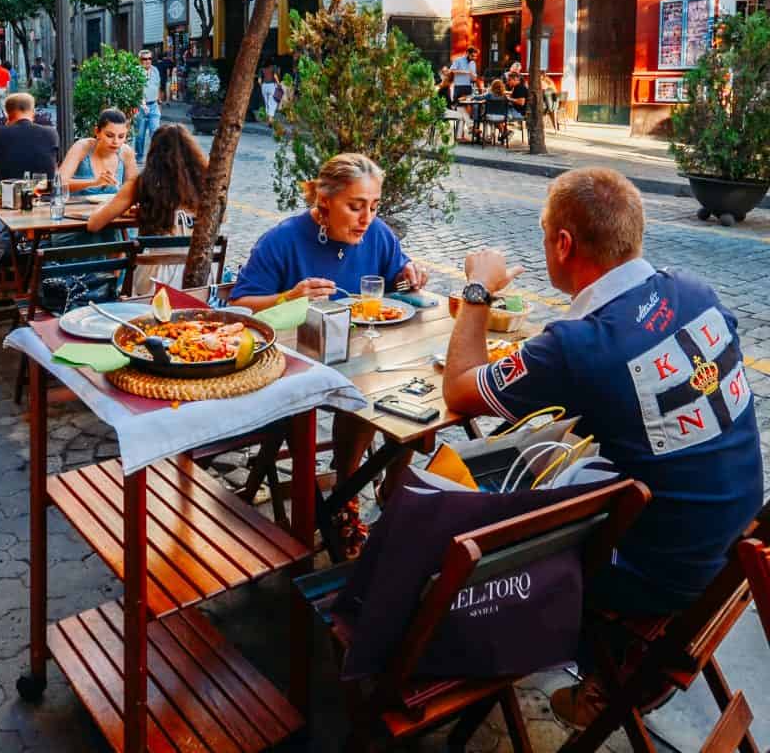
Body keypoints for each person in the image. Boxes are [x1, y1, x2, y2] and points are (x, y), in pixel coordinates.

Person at [441, 168, 763, 728]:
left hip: (659, 575)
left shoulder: (576, 346)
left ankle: (572, 673)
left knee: (479, 530)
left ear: (563, 244)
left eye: (545, 235)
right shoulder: (694, 288)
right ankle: (613, 672)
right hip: (734, 542)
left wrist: (478, 291)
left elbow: (459, 389)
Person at [230, 154, 429, 558]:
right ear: (323, 202)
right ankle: (346, 492)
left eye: (374, 206)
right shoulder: (283, 240)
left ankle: (392, 488)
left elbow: (396, 275)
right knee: (362, 392)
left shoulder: (377, 235)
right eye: (356, 206)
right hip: (296, 368)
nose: (367, 218)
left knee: (415, 389)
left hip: (361, 358)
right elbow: (238, 307)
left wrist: (409, 271)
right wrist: (287, 297)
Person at [86, 123, 207, 295]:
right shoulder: (206, 182)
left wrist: (105, 205)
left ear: (154, 153)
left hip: (157, 282)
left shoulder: (142, 184)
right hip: (202, 277)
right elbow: (221, 217)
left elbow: (94, 224)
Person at [58, 108, 138, 197]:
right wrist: (95, 182)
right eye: (109, 135)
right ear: (97, 132)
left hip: (112, 209)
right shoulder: (83, 147)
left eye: (121, 136)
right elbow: (59, 183)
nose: (116, 141)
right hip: (77, 208)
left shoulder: (126, 152)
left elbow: (134, 189)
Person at [0, 92, 60, 182]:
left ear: (7, 113)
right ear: (33, 111)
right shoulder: (51, 133)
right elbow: (54, 167)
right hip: (43, 193)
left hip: (10, 193)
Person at [133, 50, 162, 162]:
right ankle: (139, 157)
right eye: (144, 59)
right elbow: (136, 89)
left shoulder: (155, 70)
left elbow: (158, 86)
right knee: (140, 135)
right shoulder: (136, 71)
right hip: (141, 107)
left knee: (155, 133)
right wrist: (141, 103)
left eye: (149, 58)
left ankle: (154, 158)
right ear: (140, 60)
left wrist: (159, 102)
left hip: (154, 105)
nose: (147, 61)